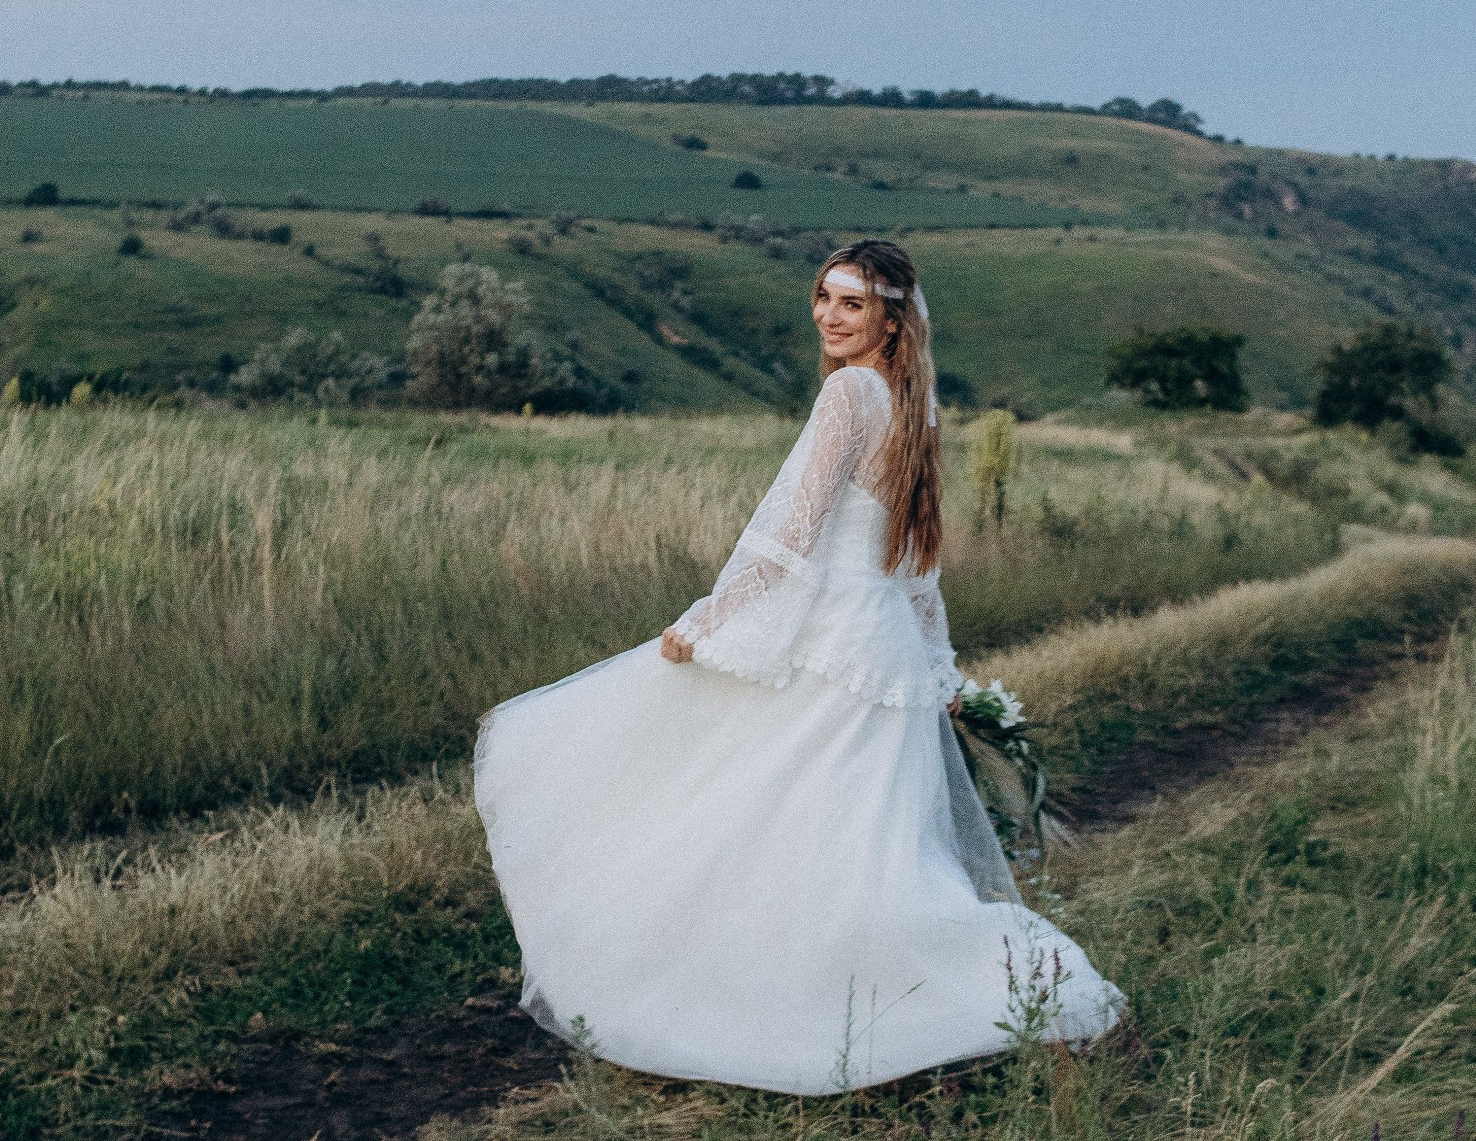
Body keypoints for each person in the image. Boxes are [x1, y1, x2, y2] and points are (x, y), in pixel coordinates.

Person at [473, 240, 1125, 1093]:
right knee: (874, 848)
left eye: (850, 304)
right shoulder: (917, 405)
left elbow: (791, 535)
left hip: (835, 649)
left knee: (774, 822)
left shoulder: (852, 392)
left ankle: (820, 1002)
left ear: (891, 318)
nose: (828, 316)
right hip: (885, 651)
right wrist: (937, 667)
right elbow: (918, 571)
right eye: (822, 297)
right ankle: (970, 993)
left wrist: (707, 620)